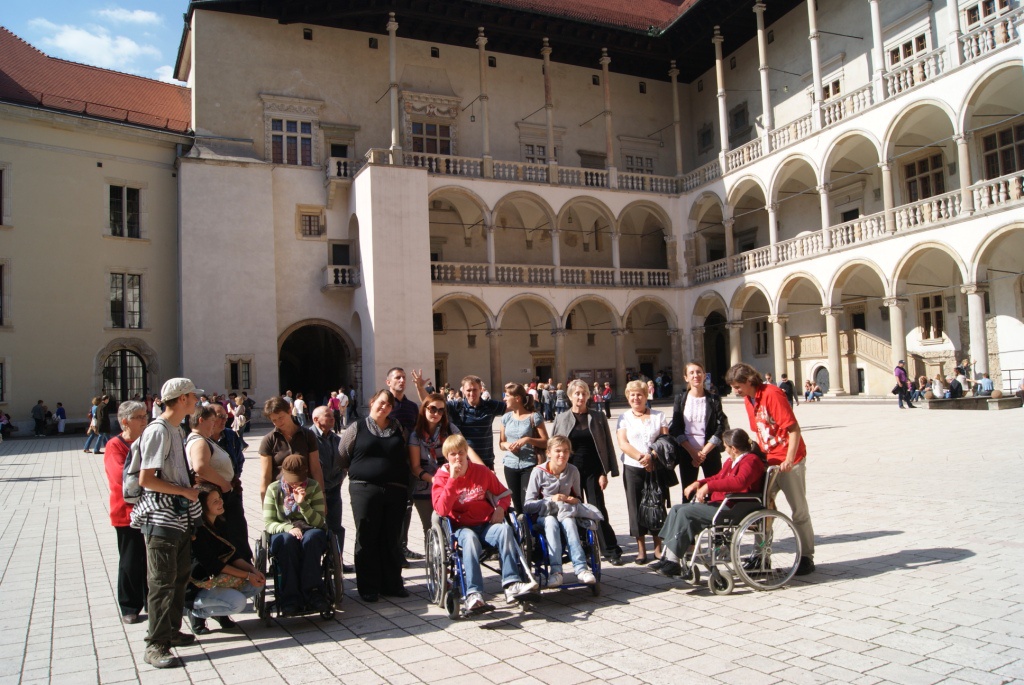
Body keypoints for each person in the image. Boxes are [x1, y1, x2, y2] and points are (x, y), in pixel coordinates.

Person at [132, 378, 202, 669]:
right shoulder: (158, 431)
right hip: (161, 518)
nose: (197, 400)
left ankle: (171, 630)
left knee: (179, 576)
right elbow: (146, 479)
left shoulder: (176, 429)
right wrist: (184, 491)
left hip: (178, 517)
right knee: (162, 582)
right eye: (193, 396)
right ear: (182, 398)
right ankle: (156, 644)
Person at [432, 434, 539, 612]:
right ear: (447, 457)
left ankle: (511, 583)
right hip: (461, 528)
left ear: (466, 453)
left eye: (461, 452)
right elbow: (441, 510)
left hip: (486, 525)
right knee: (470, 539)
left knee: (505, 530)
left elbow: (504, 494)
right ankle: (473, 593)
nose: (457, 457)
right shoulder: (442, 477)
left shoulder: (481, 472)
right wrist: (452, 480)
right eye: (453, 454)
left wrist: (500, 508)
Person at [726, 363, 815, 576]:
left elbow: (793, 429)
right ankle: (761, 556)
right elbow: (759, 432)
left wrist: (790, 459)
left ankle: (806, 557)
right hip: (770, 461)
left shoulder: (772, 394)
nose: (735, 391)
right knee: (761, 510)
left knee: (799, 510)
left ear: (749, 381)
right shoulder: (749, 400)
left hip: (789, 460)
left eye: (737, 386)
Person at [654, 428, 767, 577]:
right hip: (724, 504)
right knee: (676, 509)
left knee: (685, 512)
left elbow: (740, 482)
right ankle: (667, 558)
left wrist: (709, 487)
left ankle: (673, 561)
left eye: (725, 447)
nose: (725, 449)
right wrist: (699, 483)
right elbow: (718, 477)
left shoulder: (751, 460)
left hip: (734, 507)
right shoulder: (732, 461)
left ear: (734, 448)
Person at [338, 389, 409, 602]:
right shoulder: (356, 427)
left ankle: (392, 583)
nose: (384, 407)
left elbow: (405, 452)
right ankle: (368, 586)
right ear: (372, 402)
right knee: (367, 536)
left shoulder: (398, 427)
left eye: (389, 405)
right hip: (364, 489)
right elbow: (342, 455)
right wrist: (360, 471)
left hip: (395, 489)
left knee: (392, 537)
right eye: (381, 402)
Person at [552, 379, 623, 565]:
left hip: (593, 469)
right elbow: (553, 446)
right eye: (577, 393)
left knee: (597, 508)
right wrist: (553, 471)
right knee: (572, 509)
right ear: (570, 396)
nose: (580, 397)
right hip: (570, 471)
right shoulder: (561, 418)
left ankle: (610, 549)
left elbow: (606, 445)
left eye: (584, 393)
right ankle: (582, 548)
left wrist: (604, 472)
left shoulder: (597, 417)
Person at [408, 394, 484, 546]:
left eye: (441, 410)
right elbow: (415, 467)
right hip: (426, 485)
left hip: (451, 482)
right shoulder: (416, 436)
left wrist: (483, 469)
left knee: (452, 523)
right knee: (430, 526)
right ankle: (435, 557)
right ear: (424, 409)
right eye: (432, 409)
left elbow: (466, 449)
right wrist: (435, 479)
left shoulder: (449, 429)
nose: (436, 413)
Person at [522, 436, 599, 587]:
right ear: (548, 453)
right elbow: (528, 505)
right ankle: (556, 571)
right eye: (557, 451)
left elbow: (578, 498)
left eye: (566, 451)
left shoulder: (573, 471)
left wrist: (573, 500)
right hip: (543, 516)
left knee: (569, 521)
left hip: (566, 513)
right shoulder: (538, 472)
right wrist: (550, 499)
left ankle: (581, 568)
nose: (562, 455)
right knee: (551, 521)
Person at [188, 487, 264, 634]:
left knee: (257, 585)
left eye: (220, 498)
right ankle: (197, 612)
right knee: (238, 603)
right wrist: (247, 575)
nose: (220, 502)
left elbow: (232, 555)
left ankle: (219, 611)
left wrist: (253, 570)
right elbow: (214, 565)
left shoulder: (220, 522)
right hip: (199, 584)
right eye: (214, 501)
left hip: (218, 578)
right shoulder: (197, 532)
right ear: (202, 507)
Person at [262, 455, 329, 614]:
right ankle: (290, 597)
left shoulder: (313, 486)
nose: (295, 484)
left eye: (298, 480)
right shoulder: (273, 489)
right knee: (287, 541)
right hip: (284, 530)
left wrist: (303, 504)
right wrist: (287, 528)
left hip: (309, 527)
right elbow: (269, 523)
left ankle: (313, 593)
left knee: (311, 539)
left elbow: (320, 522)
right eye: (291, 480)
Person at [104, 400, 150, 624]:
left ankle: (152, 600)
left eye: (145, 416)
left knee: (151, 559)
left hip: (151, 510)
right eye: (138, 417)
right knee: (131, 560)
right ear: (124, 422)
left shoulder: (147, 441)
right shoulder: (115, 445)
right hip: (127, 513)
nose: (144, 420)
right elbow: (121, 478)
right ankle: (129, 605)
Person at [616, 379, 670, 565]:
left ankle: (658, 547)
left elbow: (665, 440)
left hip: (655, 466)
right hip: (633, 466)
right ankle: (641, 548)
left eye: (639, 394)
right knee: (635, 505)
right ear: (628, 397)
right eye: (632, 395)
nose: (636, 398)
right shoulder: (624, 418)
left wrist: (652, 457)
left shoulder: (659, 416)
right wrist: (642, 458)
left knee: (657, 504)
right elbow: (623, 443)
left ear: (646, 396)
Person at [186, 405, 249, 562]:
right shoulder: (199, 441)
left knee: (234, 534)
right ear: (201, 421)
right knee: (231, 535)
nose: (215, 424)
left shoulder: (203, 439)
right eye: (212, 421)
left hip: (223, 493)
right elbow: (200, 467)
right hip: (219, 494)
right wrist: (225, 485)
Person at [414, 371, 506, 470]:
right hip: (462, 462)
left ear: (481, 389)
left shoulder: (490, 405)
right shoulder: (456, 406)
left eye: (475, 389)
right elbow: (431, 403)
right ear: (463, 391)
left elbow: (513, 407)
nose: (472, 393)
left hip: (486, 461)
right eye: (468, 390)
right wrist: (420, 388)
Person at [670, 361, 728, 491]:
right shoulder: (680, 399)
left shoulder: (714, 399)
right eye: (691, 373)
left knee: (714, 491)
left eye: (699, 372)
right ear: (686, 377)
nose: (695, 375)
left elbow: (720, 426)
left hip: (710, 452)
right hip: (687, 453)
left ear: (704, 375)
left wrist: (703, 452)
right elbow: (676, 427)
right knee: (688, 492)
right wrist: (692, 452)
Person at [385, 367, 423, 562]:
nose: (401, 380)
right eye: (397, 377)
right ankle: (390, 547)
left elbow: (417, 431)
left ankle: (402, 546)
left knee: (407, 505)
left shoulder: (411, 406)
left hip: (409, 462)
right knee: (389, 506)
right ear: (388, 382)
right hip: (389, 464)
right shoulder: (384, 405)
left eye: (403, 377)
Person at [258, 396, 325, 504]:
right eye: (274, 420)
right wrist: (265, 504)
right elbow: (266, 476)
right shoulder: (269, 440)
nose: (278, 422)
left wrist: (322, 496)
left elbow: (316, 469)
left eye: (281, 417)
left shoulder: (308, 435)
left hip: (307, 493)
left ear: (289, 411)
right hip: (280, 495)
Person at [310, 405, 351, 572]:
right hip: (313, 491)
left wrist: (340, 479)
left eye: (333, 415)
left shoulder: (335, 439)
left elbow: (344, 462)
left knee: (336, 527)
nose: (332, 418)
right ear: (316, 420)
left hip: (334, 489)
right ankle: (314, 563)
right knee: (315, 527)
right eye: (328, 416)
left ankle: (335, 560)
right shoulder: (308, 438)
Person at [499, 383, 549, 514]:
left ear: (517, 398)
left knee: (527, 504)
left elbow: (546, 442)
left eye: (507, 396)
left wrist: (527, 439)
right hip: (510, 465)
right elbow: (501, 443)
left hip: (529, 465)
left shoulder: (534, 417)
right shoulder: (505, 418)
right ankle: (521, 526)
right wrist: (507, 445)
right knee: (516, 505)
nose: (504, 398)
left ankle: (529, 526)